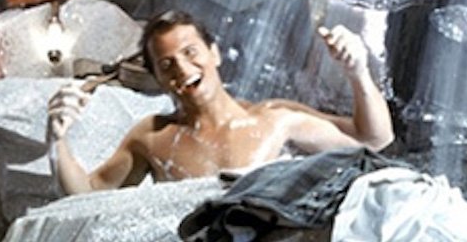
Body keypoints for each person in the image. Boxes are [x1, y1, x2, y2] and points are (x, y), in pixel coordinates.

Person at [47, 10, 394, 195]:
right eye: (167, 65)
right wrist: (56, 141)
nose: (183, 69)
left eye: (190, 52)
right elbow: (88, 192)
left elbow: (373, 139)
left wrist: (358, 73)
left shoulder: (274, 119)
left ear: (214, 54)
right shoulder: (152, 137)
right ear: (158, 78)